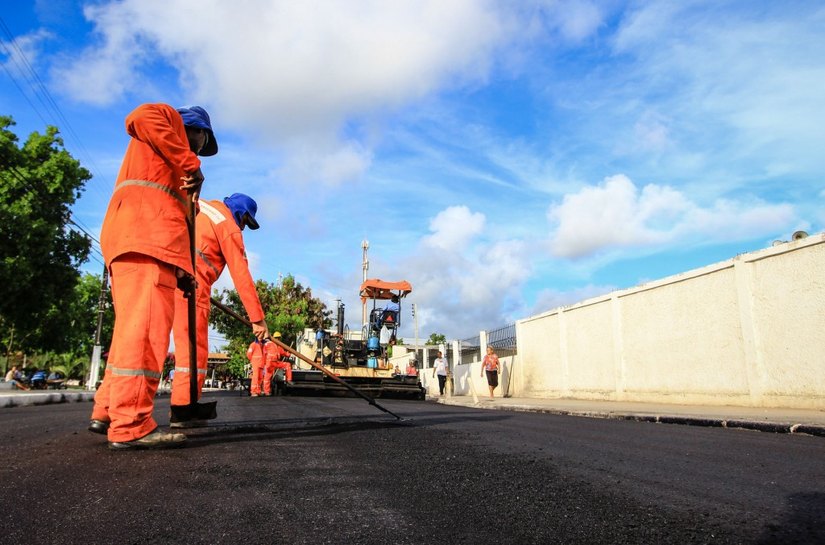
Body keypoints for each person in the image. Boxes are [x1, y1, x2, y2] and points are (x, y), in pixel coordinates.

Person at [88, 103, 217, 450]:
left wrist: (186, 270)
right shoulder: (168, 122)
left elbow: (182, 223)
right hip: (146, 240)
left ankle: (107, 411)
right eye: (203, 140)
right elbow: (140, 116)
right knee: (145, 335)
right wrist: (190, 163)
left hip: (137, 241)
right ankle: (131, 425)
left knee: (129, 334)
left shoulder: (170, 167)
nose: (201, 149)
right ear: (195, 128)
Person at [170, 193, 268, 424]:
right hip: (192, 285)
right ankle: (183, 410)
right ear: (240, 213)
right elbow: (241, 275)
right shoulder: (228, 226)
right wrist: (257, 319)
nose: (243, 228)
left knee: (144, 341)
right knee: (192, 349)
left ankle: (109, 411)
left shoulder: (201, 204)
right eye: (245, 222)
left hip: (164, 270)